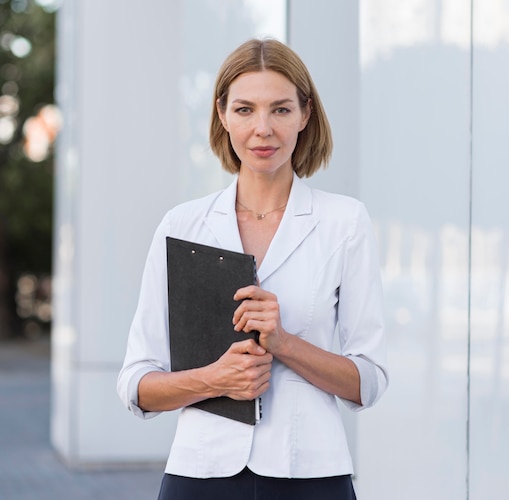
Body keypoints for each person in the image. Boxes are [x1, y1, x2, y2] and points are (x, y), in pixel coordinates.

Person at [117, 38, 388, 500]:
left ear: (306, 114)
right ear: (222, 115)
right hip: (200, 475)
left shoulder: (344, 223)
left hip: (311, 475)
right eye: (245, 110)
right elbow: (136, 385)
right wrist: (214, 379)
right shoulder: (183, 226)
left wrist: (283, 342)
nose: (263, 128)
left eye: (280, 110)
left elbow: (369, 382)